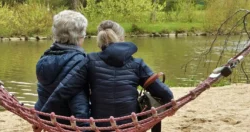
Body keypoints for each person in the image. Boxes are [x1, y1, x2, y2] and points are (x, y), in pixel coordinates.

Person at [41, 20, 173, 127]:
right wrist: (170, 105)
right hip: (131, 125)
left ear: (100, 41)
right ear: (121, 39)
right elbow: (164, 93)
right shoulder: (137, 64)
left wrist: (41, 117)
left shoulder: (89, 60)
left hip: (101, 126)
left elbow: (64, 90)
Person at [34, 10, 89, 125]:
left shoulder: (44, 59)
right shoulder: (81, 62)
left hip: (47, 117)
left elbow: (43, 93)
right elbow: (79, 103)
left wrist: (38, 117)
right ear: (79, 36)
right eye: (84, 34)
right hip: (68, 122)